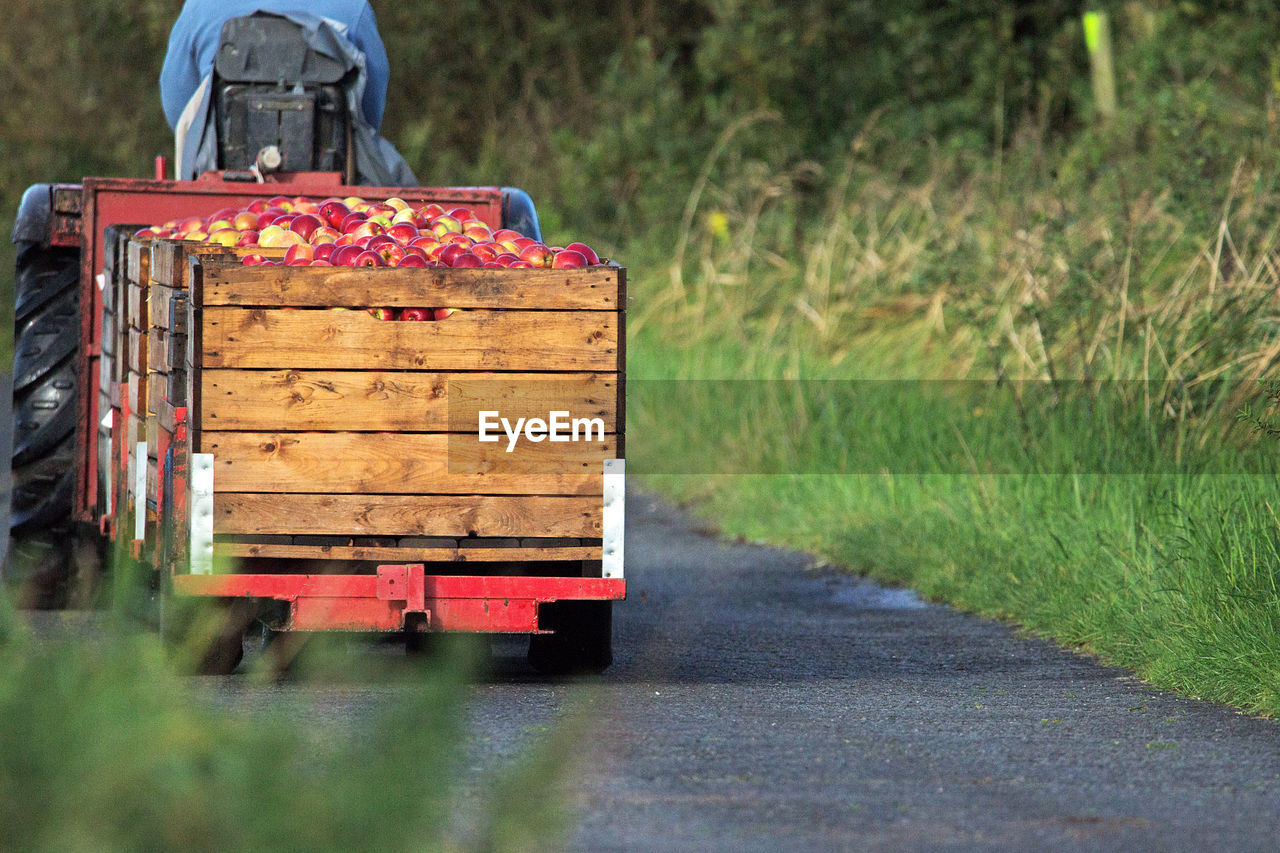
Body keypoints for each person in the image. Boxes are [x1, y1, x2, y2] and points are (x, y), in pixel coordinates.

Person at [160, 0, 389, 132]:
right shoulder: (352, 7)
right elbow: (369, 112)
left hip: (220, 176)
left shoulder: (200, 6)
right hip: (332, 197)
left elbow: (179, 108)